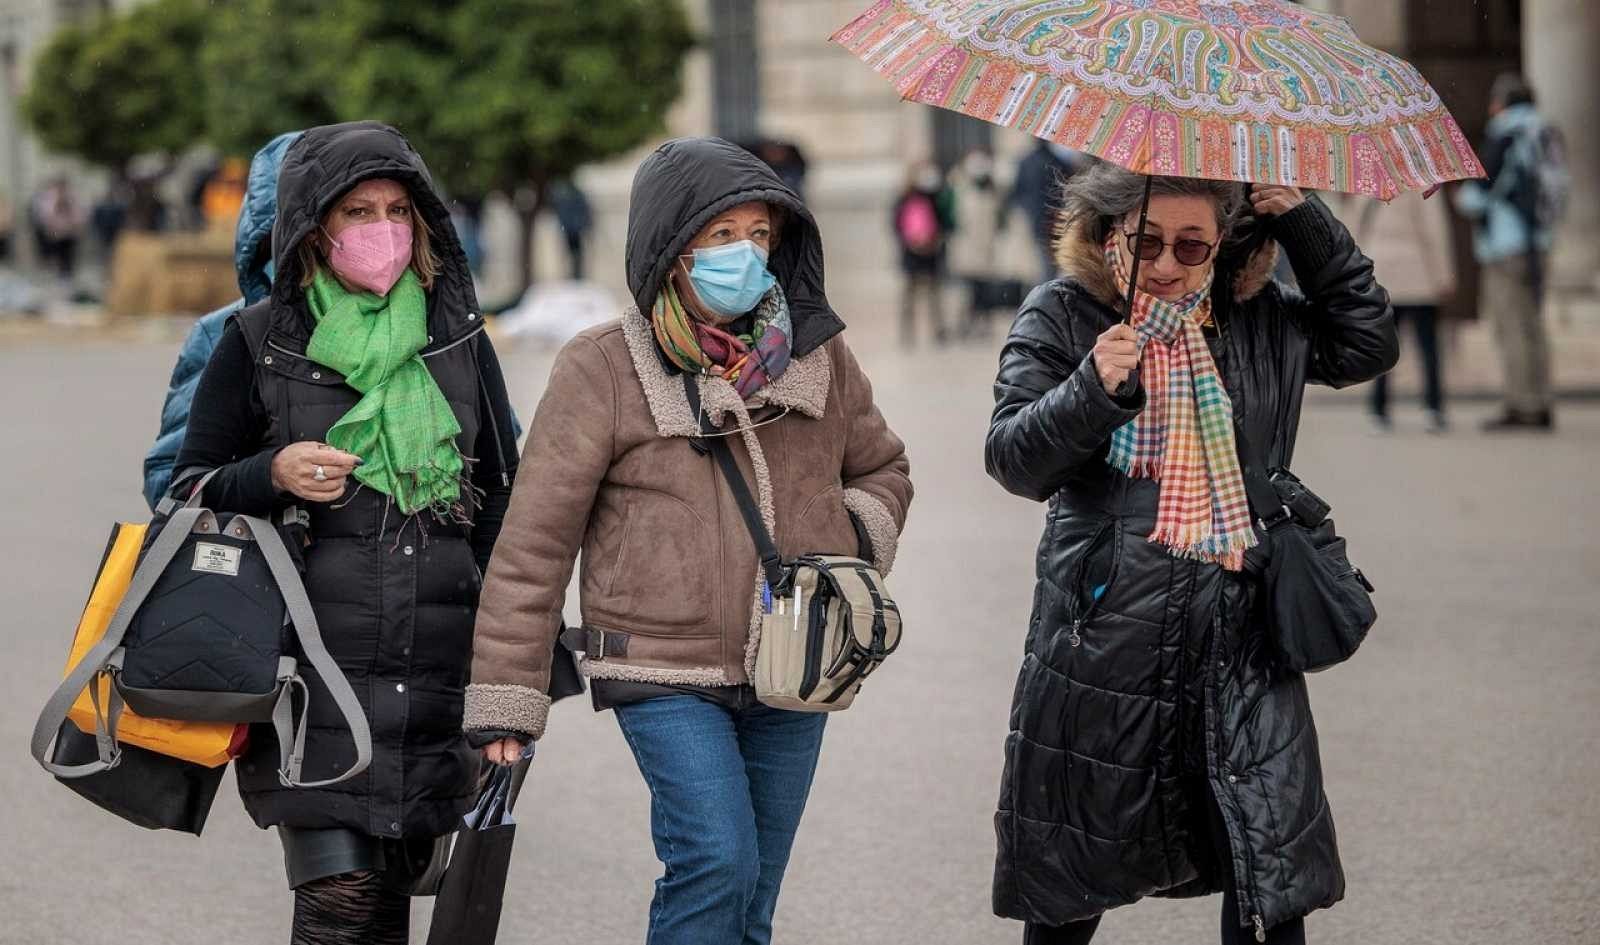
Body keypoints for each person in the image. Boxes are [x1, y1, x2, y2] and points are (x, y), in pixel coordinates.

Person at [464, 136, 913, 945]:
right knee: (716, 860)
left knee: (754, 896)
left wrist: (843, 547)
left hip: (796, 667)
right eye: (721, 235)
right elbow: (534, 541)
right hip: (659, 665)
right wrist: (509, 696)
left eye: (760, 234)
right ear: (672, 247)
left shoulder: (817, 353)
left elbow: (883, 467)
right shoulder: (601, 366)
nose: (746, 253)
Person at [175, 121, 572, 944]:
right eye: (358, 210)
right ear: (315, 225)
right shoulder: (256, 343)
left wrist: (511, 681)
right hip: (309, 678)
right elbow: (185, 491)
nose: (381, 228)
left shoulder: (458, 342)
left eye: (398, 209)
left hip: (434, 678)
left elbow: (504, 509)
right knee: (341, 899)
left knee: (390, 899)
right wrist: (270, 471)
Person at [985, 162, 1397, 945]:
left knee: (1266, 876)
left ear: (1221, 249)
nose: (1167, 265)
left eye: (1191, 246)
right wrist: (1092, 388)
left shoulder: (1258, 316)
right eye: (1146, 243)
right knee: (1072, 873)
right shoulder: (1066, 314)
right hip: (1105, 636)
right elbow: (1012, 458)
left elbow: (1368, 343)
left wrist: (1305, 222)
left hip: (1243, 633)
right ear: (1109, 236)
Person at [143, 131, 301, 509]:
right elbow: (169, 480)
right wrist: (269, 475)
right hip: (265, 562)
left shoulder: (426, 333)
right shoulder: (226, 333)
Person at [1455, 73, 1564, 431]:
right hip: (1538, 243)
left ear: (1501, 103)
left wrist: (1466, 198)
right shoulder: (1545, 132)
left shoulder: (1505, 134)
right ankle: (1542, 399)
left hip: (1506, 245)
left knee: (1511, 327)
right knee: (1532, 325)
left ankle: (1522, 404)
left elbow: (1481, 193)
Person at [1350, 191, 1458, 432]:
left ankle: (1378, 409)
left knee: (1381, 346)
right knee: (1428, 347)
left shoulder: (1369, 183)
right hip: (1417, 271)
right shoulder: (1423, 184)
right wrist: (1444, 275)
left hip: (1380, 273)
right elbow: (1435, 231)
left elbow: (1355, 230)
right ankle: (1433, 407)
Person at [946, 147, 1008, 338]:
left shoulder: (993, 191)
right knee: (967, 290)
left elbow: (1001, 221)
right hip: (966, 250)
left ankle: (983, 324)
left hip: (986, 249)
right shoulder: (958, 189)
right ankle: (965, 324)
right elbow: (950, 217)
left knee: (985, 289)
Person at [894, 160, 956, 346]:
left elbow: (947, 223)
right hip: (912, 255)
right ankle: (908, 333)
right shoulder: (905, 198)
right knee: (910, 296)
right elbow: (896, 224)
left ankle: (938, 330)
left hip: (931, 253)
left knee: (934, 295)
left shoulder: (938, 196)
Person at [1010, 140, 1085, 282]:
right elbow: (1068, 188)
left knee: (1044, 264)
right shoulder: (1056, 161)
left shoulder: (1026, 162)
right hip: (1054, 219)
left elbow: (1017, 193)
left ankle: (1044, 291)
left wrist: (1027, 210)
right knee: (1052, 264)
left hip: (1036, 220)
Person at [30, 178, 85, 281]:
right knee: (58, 253)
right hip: (57, 231)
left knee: (69, 254)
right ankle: (59, 274)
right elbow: (45, 214)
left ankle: (68, 274)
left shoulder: (72, 197)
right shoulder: (51, 197)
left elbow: (79, 213)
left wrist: (77, 225)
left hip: (70, 231)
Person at [549, 179, 593, 281]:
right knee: (571, 254)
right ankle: (573, 275)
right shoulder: (565, 194)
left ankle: (576, 275)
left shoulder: (569, 194)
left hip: (573, 229)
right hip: (570, 229)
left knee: (576, 254)